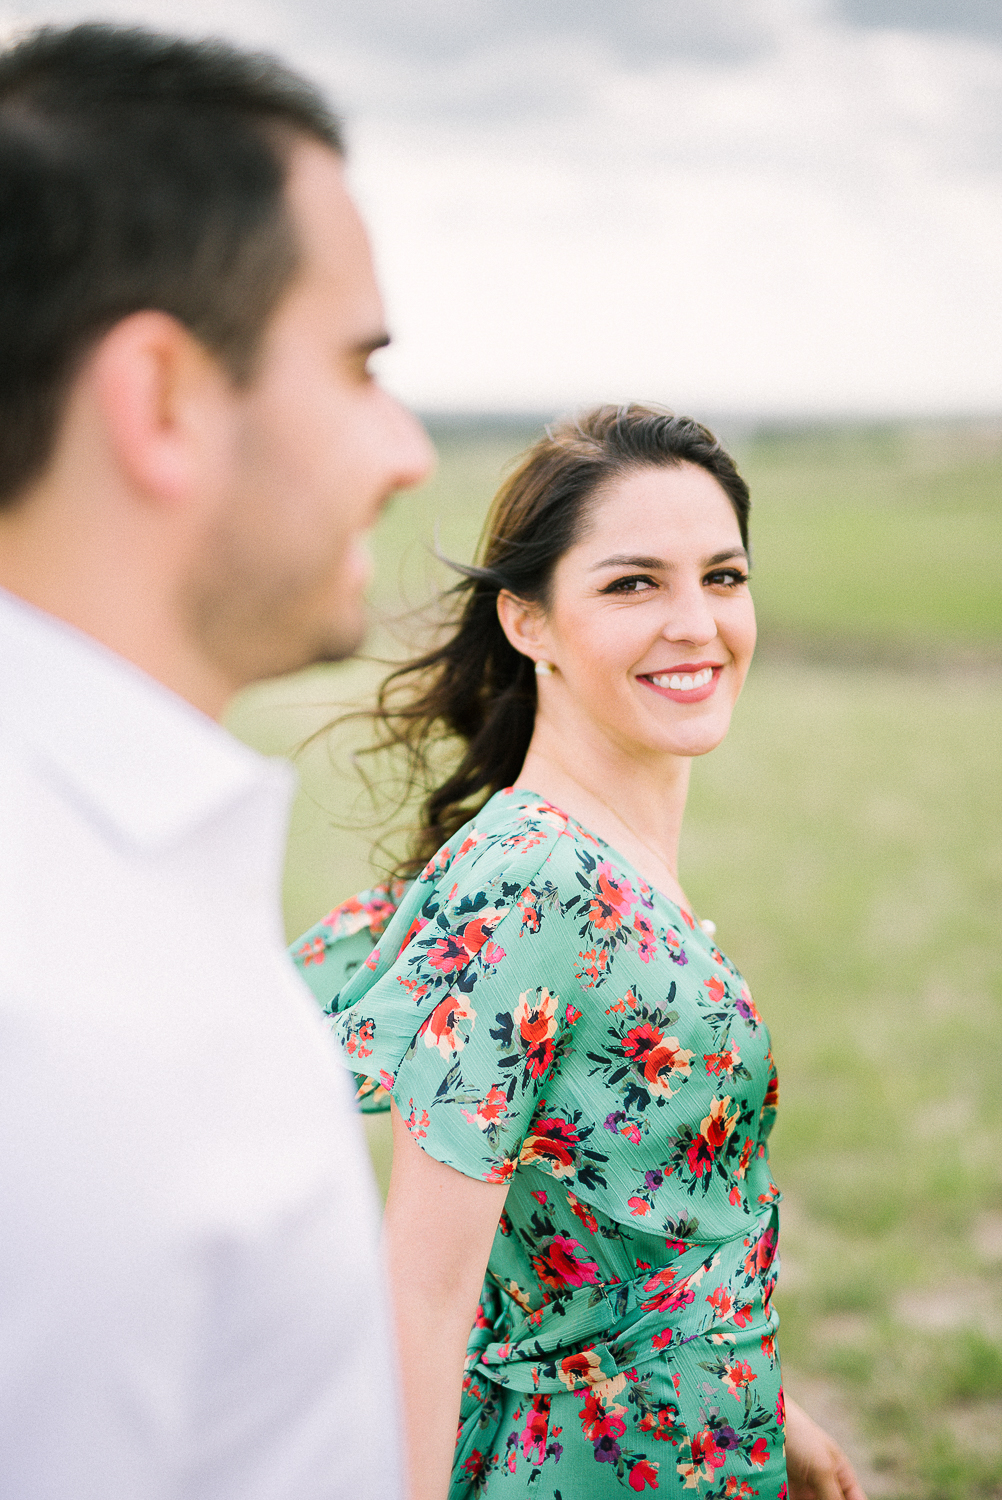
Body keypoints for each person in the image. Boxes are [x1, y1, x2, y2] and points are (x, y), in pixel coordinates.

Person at [0, 23, 432, 1499]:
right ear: (163, 399)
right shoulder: (64, 1026)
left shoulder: (98, 869)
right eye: (358, 364)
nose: (406, 446)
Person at [294, 406, 867, 1500]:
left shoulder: (606, 863)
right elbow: (421, 1298)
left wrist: (765, 1403)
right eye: (632, 584)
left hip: (696, 1449)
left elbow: (612, 1209)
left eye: (724, 576)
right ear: (529, 622)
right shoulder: (535, 883)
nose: (696, 622)